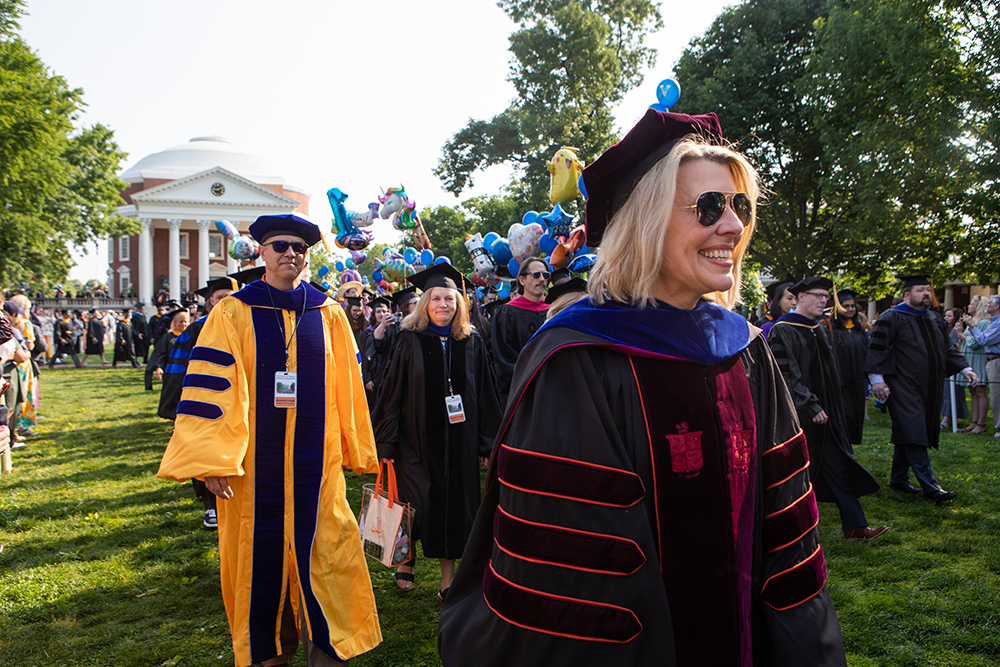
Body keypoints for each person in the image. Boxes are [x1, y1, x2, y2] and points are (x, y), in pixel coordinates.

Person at [439, 110, 847, 665]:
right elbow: (573, 578)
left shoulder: (744, 348)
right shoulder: (577, 357)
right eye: (709, 208)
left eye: (739, 207)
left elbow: (787, 529)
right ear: (645, 220)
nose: (732, 226)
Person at [157, 213, 381, 666]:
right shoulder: (233, 312)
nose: (290, 254)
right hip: (252, 475)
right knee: (258, 569)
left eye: (299, 247)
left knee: (326, 562)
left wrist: (357, 449)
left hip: (317, 471)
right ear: (260, 251)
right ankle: (268, 654)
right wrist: (215, 460)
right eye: (279, 245)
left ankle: (327, 652)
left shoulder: (329, 313)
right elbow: (211, 388)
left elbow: (349, 389)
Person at [372, 263, 501, 600]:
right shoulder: (408, 340)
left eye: (450, 298)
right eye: (437, 298)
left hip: (461, 440)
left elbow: (486, 392)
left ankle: (448, 579)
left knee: (453, 508)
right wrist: (386, 440)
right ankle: (406, 555)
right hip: (415, 440)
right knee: (416, 503)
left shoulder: (470, 340)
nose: (444, 304)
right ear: (425, 302)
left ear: (460, 303)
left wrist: (486, 442)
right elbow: (391, 391)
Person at [767, 278, 885, 540]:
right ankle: (787, 529)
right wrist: (810, 404)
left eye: (825, 297)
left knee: (836, 464)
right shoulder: (783, 330)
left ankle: (855, 524)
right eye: (818, 295)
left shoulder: (817, 328)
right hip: (800, 415)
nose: (824, 301)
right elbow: (786, 375)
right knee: (795, 471)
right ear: (800, 297)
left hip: (827, 412)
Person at [865, 275, 978, 501]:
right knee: (914, 430)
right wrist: (877, 379)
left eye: (928, 290)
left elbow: (947, 349)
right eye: (920, 290)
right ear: (907, 295)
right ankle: (931, 487)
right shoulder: (891, 317)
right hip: (901, 384)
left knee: (912, 430)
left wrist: (965, 369)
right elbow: (877, 350)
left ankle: (898, 478)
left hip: (929, 386)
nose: (926, 294)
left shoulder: (935, 319)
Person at [489, 258, 550, 408]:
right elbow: (503, 358)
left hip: (552, 390)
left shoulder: (553, 312)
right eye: (536, 275)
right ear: (522, 280)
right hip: (521, 393)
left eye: (546, 275)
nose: (542, 279)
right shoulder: (507, 313)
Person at [830, 289, 870, 443]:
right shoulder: (833, 331)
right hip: (842, 381)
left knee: (856, 414)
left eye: (852, 306)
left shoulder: (859, 331)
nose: (850, 309)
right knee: (844, 415)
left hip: (858, 381)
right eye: (846, 306)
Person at [964, 294, 1000, 439]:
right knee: (996, 397)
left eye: (989, 302)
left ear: (997, 306)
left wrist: (972, 326)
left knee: (995, 397)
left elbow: (983, 340)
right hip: (991, 360)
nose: (987, 304)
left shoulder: (997, 323)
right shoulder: (993, 321)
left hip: (996, 360)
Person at [958, 298, 991, 433]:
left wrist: (961, 334)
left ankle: (981, 424)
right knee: (973, 391)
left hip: (978, 359)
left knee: (980, 391)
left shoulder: (983, 322)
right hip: (970, 359)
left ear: (979, 306)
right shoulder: (973, 322)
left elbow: (975, 343)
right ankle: (974, 422)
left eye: (971, 304)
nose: (968, 305)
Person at [146, 305, 188, 390]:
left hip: (187, 372)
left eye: (185, 321)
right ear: (175, 322)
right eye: (180, 322)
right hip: (171, 372)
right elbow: (160, 353)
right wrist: (158, 367)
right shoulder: (167, 338)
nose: (183, 324)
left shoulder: (191, 336)